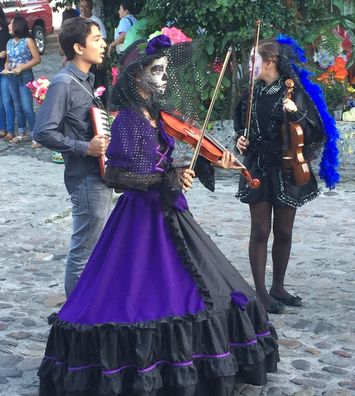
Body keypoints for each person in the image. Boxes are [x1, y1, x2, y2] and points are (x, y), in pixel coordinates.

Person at [37, 29, 279, 396]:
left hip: (168, 209)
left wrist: (209, 162)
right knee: (143, 292)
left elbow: (171, 156)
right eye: (158, 71)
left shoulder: (156, 114)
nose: (164, 79)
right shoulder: (132, 120)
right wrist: (172, 176)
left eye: (166, 72)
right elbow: (123, 175)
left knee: (202, 284)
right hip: (143, 216)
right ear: (137, 76)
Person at [235, 36, 339, 314]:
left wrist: (294, 116)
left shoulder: (294, 92)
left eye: (253, 59)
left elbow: (316, 131)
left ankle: (277, 287)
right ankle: (259, 292)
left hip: (286, 167)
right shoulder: (250, 94)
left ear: (269, 61)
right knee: (260, 230)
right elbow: (240, 129)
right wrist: (240, 141)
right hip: (258, 166)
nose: (249, 64)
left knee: (284, 231)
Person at [33, 18, 113, 297]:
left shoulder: (87, 80)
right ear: (79, 47)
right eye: (96, 39)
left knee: (92, 251)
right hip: (85, 179)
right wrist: (84, 147)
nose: (103, 44)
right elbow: (42, 131)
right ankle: (75, 326)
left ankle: (86, 315)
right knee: (83, 253)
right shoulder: (64, 83)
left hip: (98, 176)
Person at [5, 15, 40, 146]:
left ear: (18, 26)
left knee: (27, 107)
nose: (9, 26)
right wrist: (6, 68)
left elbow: (37, 59)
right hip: (12, 77)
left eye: (11, 24)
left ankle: (36, 135)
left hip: (25, 77)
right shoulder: (9, 42)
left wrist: (22, 67)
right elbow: (8, 61)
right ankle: (21, 133)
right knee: (18, 106)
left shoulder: (28, 41)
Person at [0, 6, 13, 140]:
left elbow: (13, 45)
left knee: (6, 99)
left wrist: (6, 53)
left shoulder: (6, 31)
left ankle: (10, 129)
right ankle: (1, 127)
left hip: (5, 69)